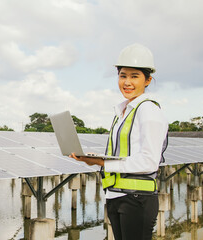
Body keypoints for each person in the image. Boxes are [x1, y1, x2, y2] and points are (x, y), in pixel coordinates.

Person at [69, 43, 168, 240]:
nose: (127, 82)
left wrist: (102, 162)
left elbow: (149, 161)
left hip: (137, 198)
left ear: (148, 80)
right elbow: (124, 153)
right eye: (123, 76)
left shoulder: (148, 110)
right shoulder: (122, 111)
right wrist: (95, 158)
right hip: (116, 195)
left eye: (134, 76)